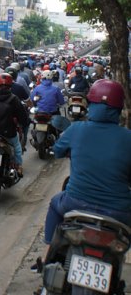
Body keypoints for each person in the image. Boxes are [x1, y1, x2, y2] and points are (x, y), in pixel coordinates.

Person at [44, 80, 131, 245]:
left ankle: (49, 248)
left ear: (91, 104)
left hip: (75, 202)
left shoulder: (77, 129)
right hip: (118, 211)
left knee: (55, 203)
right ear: (119, 109)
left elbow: (57, 151)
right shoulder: (128, 137)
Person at [0, 73, 29, 177]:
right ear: (10, 85)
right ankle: (18, 166)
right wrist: (24, 123)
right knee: (17, 146)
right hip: (9, 134)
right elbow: (23, 118)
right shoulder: (14, 99)